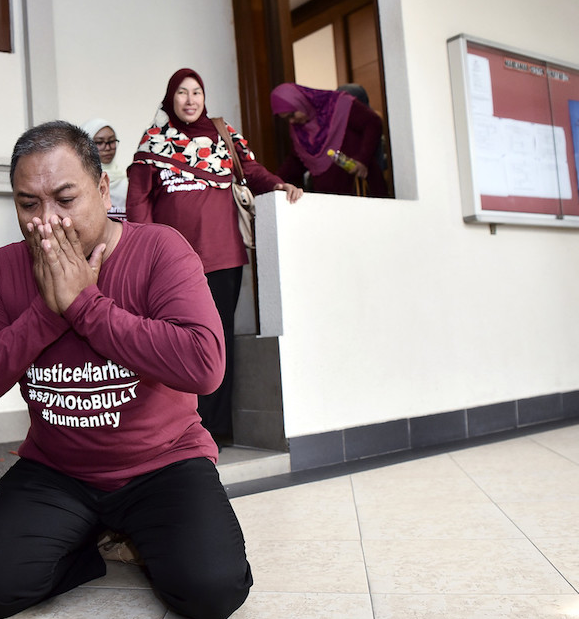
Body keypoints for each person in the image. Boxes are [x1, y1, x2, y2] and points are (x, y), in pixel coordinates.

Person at [0, 121, 252, 619]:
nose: (47, 222)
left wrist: (85, 306)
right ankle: (95, 541)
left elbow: (204, 364)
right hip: (57, 470)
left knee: (212, 591)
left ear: (104, 189)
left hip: (164, 463)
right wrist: (48, 312)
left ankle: (139, 537)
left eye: (65, 199)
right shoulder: (0, 271)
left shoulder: (160, 249)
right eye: (28, 204)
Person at [126, 67, 302, 445]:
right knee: (174, 343)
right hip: (172, 264)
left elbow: (251, 170)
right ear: (170, 98)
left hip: (224, 258)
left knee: (218, 341)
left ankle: (216, 429)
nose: (190, 100)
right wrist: (141, 252)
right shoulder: (154, 141)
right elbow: (138, 200)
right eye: (182, 93)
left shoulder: (223, 135)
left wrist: (278, 184)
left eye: (197, 93)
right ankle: (178, 427)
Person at [270, 82, 388, 197]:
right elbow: (296, 161)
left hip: (359, 188)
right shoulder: (299, 131)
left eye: (292, 115)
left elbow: (373, 123)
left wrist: (362, 159)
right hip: (328, 198)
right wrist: (272, 183)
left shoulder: (339, 104)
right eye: (286, 119)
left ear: (301, 102)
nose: (291, 121)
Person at [81, 118, 127, 218]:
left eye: (111, 141)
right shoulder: (81, 181)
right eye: (99, 142)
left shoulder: (126, 182)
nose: (107, 148)